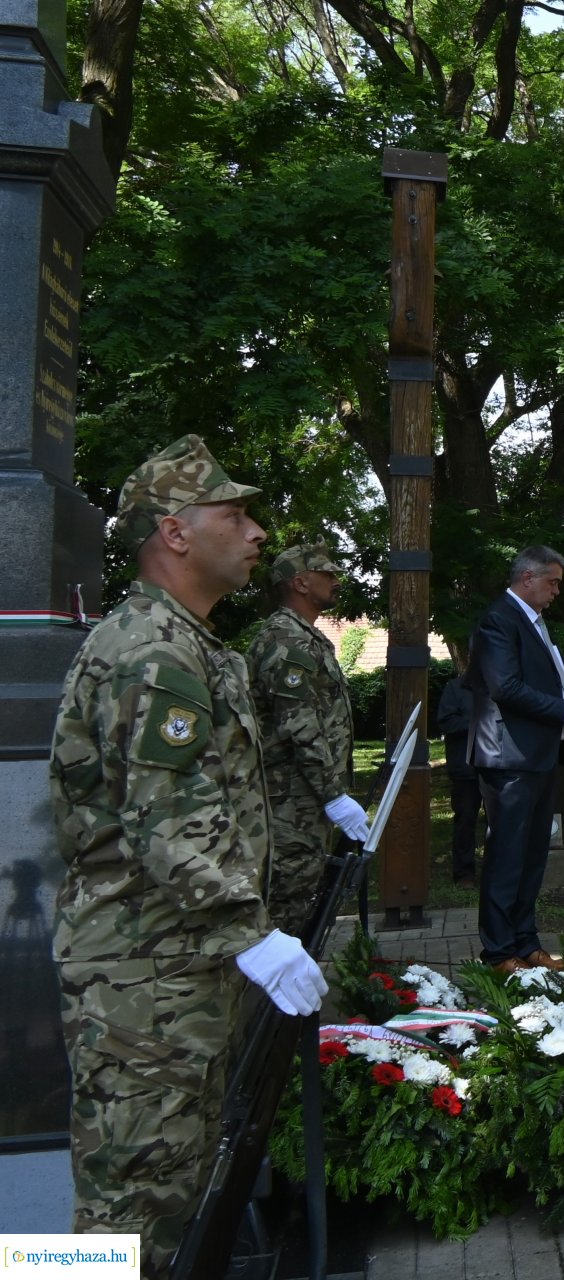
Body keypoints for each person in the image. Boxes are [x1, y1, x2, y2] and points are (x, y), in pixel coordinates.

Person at [48, 435, 328, 1275]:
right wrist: (255, 932)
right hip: (144, 984)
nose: (254, 533)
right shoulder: (153, 653)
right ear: (174, 531)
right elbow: (169, 822)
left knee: (167, 1202)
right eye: (234, 514)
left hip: (176, 972)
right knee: (123, 1218)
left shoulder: (192, 644)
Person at [466, 546, 564, 974]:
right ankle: (497, 952)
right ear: (527, 578)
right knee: (507, 855)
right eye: (553, 582)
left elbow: (538, 686)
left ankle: (526, 944)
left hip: (537, 754)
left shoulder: (533, 621)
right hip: (508, 756)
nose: (557, 591)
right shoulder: (499, 620)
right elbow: (506, 688)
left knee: (532, 857)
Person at [248, 543, 365, 935]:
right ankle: (264, 997)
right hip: (288, 803)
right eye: (326, 573)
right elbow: (298, 726)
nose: (336, 580)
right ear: (300, 582)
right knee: (285, 908)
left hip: (302, 799)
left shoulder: (305, 637)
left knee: (301, 901)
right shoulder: (287, 640)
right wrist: (333, 795)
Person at [437, 672, 482, 887]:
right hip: (466, 768)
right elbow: (446, 722)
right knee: (465, 820)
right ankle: (464, 873)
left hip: (498, 767)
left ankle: (498, 870)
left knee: (501, 821)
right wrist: (477, 723)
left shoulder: (502, 685)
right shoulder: (456, 688)